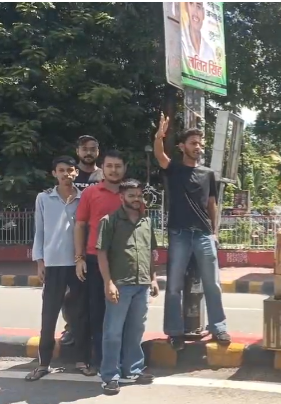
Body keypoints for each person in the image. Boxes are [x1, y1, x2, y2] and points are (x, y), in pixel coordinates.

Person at [153, 113, 230, 350]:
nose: (198, 147)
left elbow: (212, 204)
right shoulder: (174, 169)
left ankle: (218, 327)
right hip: (179, 234)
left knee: (212, 283)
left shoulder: (208, 174)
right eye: (193, 143)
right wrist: (159, 136)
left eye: (200, 143)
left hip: (204, 234)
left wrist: (214, 233)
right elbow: (160, 156)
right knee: (174, 286)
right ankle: (175, 332)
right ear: (182, 146)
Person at [96, 179, 159, 395]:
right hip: (120, 284)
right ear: (121, 197)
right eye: (131, 195)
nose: (136, 199)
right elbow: (102, 254)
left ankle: (132, 370)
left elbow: (150, 252)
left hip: (142, 284)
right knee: (113, 332)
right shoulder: (109, 221)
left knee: (136, 329)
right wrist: (108, 282)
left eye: (139, 195)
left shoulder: (146, 221)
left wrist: (153, 278)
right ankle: (110, 376)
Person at [25, 156, 83, 381]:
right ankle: (44, 364)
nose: (66, 174)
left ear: (76, 172)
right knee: (49, 316)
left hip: (77, 264)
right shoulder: (44, 198)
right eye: (62, 170)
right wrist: (40, 261)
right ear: (54, 173)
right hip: (53, 264)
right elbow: (39, 230)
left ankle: (82, 360)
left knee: (80, 315)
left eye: (70, 170)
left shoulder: (83, 197)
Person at [74, 149, 127, 375]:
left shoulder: (131, 194)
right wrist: (79, 258)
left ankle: (124, 361)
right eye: (109, 166)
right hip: (95, 260)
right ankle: (98, 361)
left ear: (124, 168)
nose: (114, 170)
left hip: (125, 262)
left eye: (118, 166)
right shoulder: (91, 193)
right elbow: (80, 225)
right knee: (97, 313)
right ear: (102, 168)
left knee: (124, 314)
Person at [61, 135, 104, 347]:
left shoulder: (103, 176)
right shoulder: (71, 174)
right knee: (71, 292)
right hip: (71, 241)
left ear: (98, 151)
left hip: (98, 242)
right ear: (77, 151)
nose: (89, 152)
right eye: (85, 149)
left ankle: (96, 331)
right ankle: (71, 328)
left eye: (93, 149)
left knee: (96, 292)